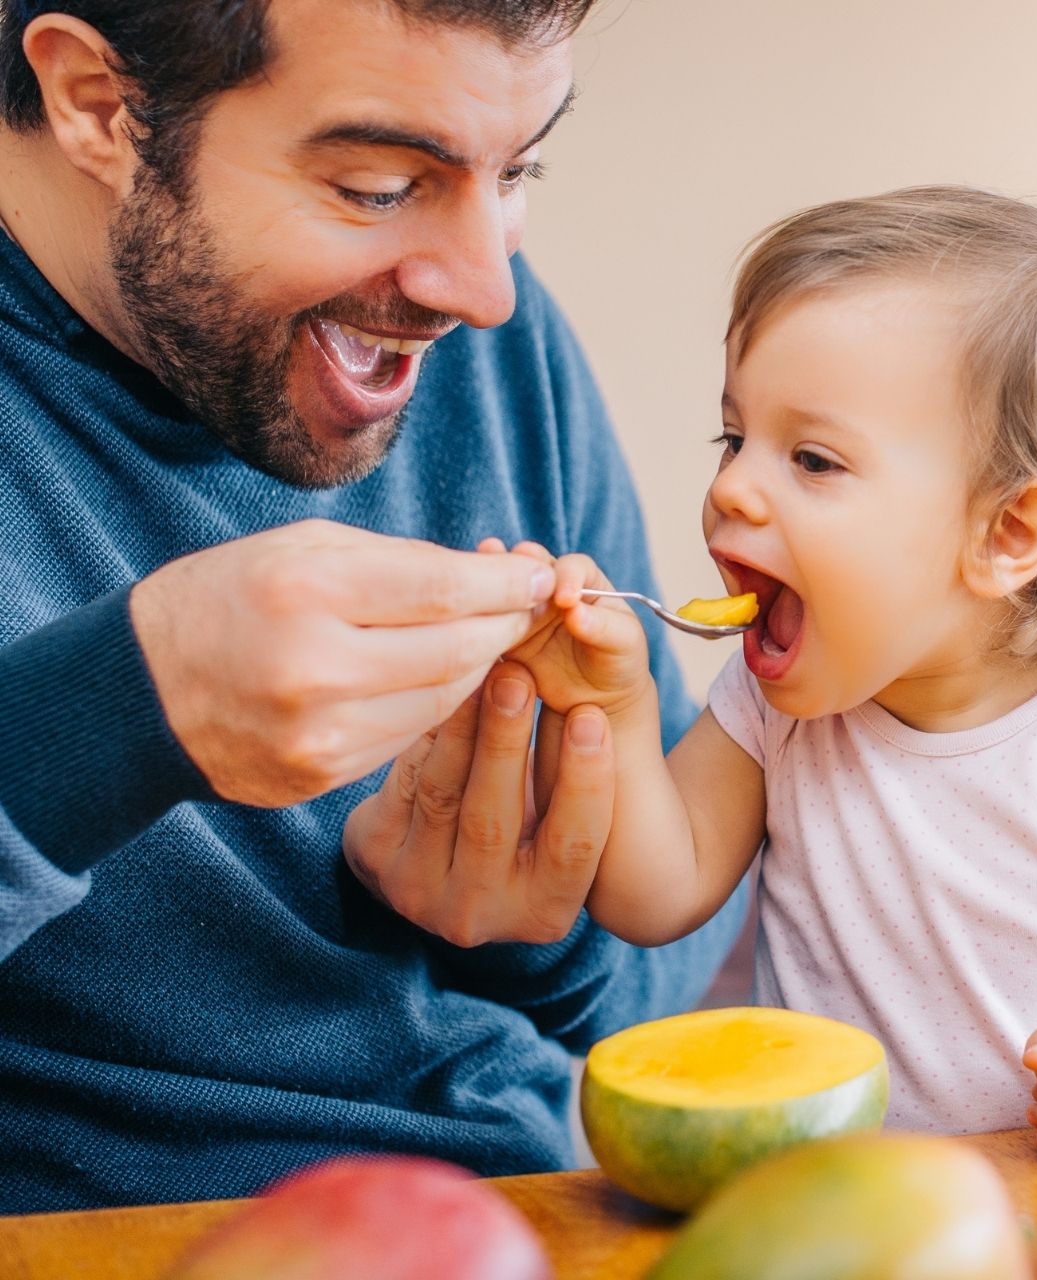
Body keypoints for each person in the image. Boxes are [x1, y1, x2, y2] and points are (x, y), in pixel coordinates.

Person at [0, 0, 741, 1212]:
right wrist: (127, 709)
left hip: (541, 1207)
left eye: (519, 168)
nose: (485, 290)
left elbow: (682, 946)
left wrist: (531, 913)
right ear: (101, 104)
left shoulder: (477, 341)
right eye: (381, 185)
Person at [468, 186, 1037, 1167]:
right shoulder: (775, 708)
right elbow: (654, 895)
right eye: (734, 438)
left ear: (1008, 534)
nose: (732, 486)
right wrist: (614, 704)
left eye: (813, 459)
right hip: (833, 1206)